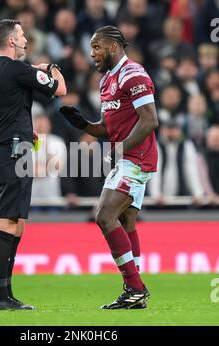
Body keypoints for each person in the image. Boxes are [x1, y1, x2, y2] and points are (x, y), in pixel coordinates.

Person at [60, 26, 158, 309]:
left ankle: (136, 288)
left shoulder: (134, 74)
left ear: (113, 47)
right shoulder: (106, 81)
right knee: (126, 221)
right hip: (126, 156)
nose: (92, 54)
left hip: (136, 158)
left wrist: (119, 149)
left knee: (103, 216)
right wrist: (84, 125)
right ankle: (134, 293)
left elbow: (150, 120)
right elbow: (108, 128)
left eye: (96, 47)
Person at [0, 19, 67, 311]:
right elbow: (59, 90)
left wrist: (22, 129)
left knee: (17, 224)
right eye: (22, 35)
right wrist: (52, 70)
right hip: (13, 154)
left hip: (5, 150)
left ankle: (6, 295)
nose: (26, 38)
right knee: (7, 222)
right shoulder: (17, 69)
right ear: (11, 42)